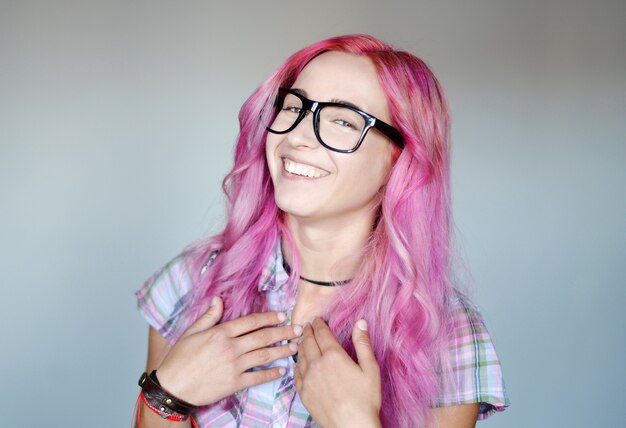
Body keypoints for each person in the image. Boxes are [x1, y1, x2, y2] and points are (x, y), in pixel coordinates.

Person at [134, 34, 509, 427]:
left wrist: (354, 421)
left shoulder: (442, 331)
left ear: (400, 158)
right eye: (293, 107)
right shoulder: (196, 278)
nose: (296, 136)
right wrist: (168, 393)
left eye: (344, 121)